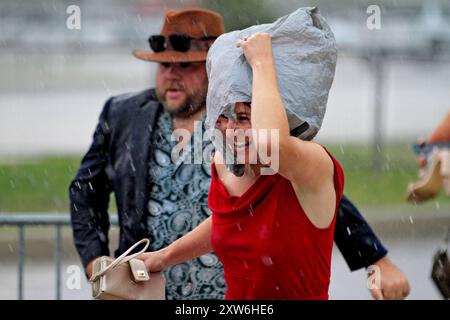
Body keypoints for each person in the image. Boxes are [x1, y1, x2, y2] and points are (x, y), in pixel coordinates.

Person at [69, 7, 409, 300]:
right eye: (164, 65)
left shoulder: (259, 132)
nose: (171, 75)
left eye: (184, 66)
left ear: (213, 71)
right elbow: (85, 191)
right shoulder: (125, 114)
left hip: (222, 288)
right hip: (152, 290)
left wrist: (376, 258)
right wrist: (99, 262)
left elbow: (319, 196)